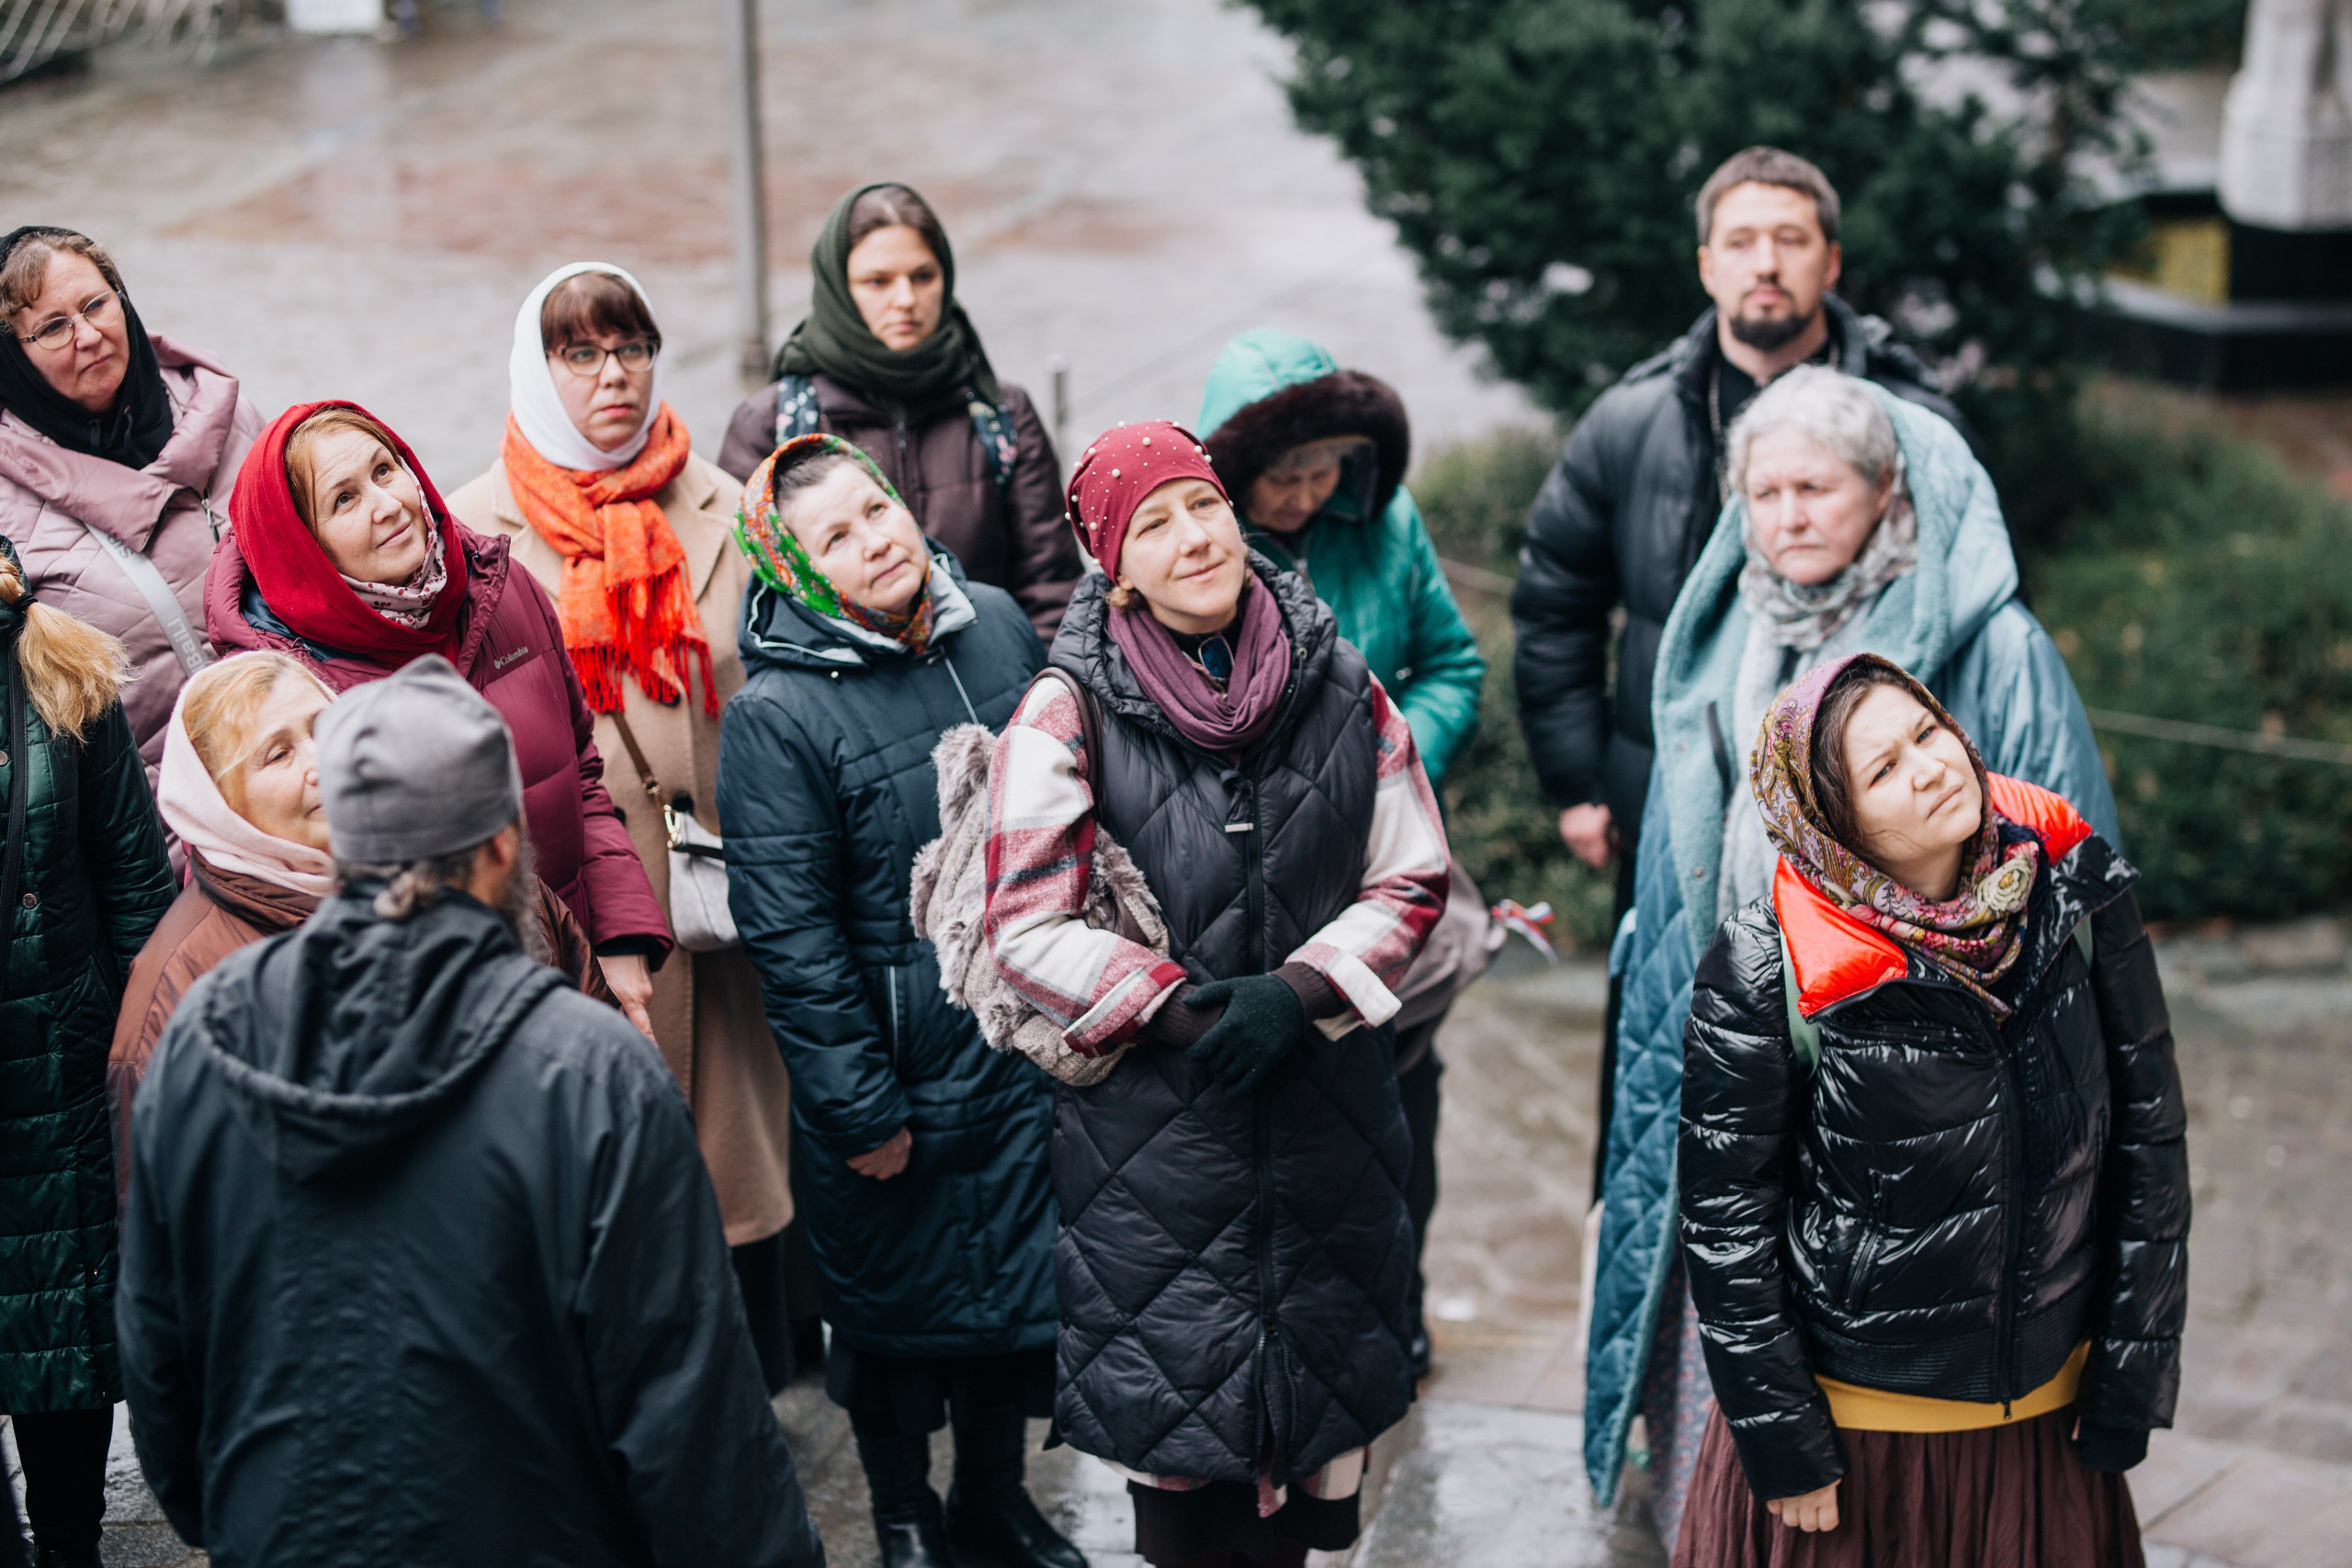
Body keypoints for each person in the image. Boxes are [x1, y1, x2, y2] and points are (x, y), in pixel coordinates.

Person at [114, 656, 827, 1568]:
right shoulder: (591, 1070)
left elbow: (162, 1347)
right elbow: (689, 1405)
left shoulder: (203, 1033)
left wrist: (236, 1512)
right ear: (501, 848)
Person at [1579, 369, 2119, 1549]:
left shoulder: (1992, 641)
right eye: (1763, 493)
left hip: (1944, 1085)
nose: (1786, 517)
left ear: (1886, 490)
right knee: (1745, 1292)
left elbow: (2069, 879)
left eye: (1814, 488)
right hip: (1761, 1022)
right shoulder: (1727, 625)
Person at [983, 422, 1451, 1568]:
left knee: (1310, 1476)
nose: (1192, 538)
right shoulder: (1064, 710)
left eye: (1201, 506)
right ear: (1114, 568)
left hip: (1329, 1127)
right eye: (1152, 524)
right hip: (1155, 1155)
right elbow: (1024, 924)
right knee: (1191, 1489)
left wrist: (1297, 993)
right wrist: (1174, 1008)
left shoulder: (1343, 684)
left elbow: (1411, 875)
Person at [1508, 148, 1971, 1194]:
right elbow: (1555, 601)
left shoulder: (1910, 422)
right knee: (1668, 1064)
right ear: (1706, 264)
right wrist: (1579, 779)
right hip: (1667, 808)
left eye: (1791, 240)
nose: (1767, 263)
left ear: (1831, 262)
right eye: (1743, 241)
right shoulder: (1630, 421)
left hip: (1872, 840)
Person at [1671, 652, 2186, 1567]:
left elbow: (2150, 1141)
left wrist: (2130, 1375)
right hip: (1857, 1444)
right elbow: (1725, 1226)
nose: (1930, 768)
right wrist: (1781, 1441)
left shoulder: (2072, 889)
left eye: (1926, 731)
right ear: (1832, 821)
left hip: (2045, 1428)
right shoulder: (1771, 963)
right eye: (1882, 769)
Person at [718, 434, 1073, 1568]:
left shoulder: (996, 625)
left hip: (1017, 1039)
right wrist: (857, 1107)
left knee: (1014, 1294)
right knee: (892, 1311)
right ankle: (905, 1519)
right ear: (795, 569)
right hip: (896, 1062)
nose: (873, 542)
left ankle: (992, 1500)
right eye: (834, 537)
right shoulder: (776, 714)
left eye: (874, 511)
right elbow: (793, 940)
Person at [447, 263, 798, 1387]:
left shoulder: (729, 503)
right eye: (580, 354)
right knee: (608, 1198)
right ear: (535, 368)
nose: (613, 376)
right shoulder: (472, 531)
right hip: (579, 912)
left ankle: (750, 1405)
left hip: (720, 905)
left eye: (630, 348)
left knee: (740, 1186)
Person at [1195, 326, 1487, 1373]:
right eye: (1281, 473)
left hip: (1382, 871)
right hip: (1259, 886)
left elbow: (1452, 664)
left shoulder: (1386, 522)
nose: (1303, 494)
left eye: (1324, 468)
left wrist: (1390, 768)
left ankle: (1397, 1306)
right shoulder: (1203, 549)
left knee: (1403, 1096)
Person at [207, 400, 670, 1035]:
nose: (386, 504)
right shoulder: (286, 695)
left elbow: (582, 771)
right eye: (343, 500)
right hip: (434, 1029)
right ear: (303, 548)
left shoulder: (502, 589)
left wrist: (618, 937)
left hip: (578, 977)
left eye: (384, 469)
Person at [107, 649, 616, 1196]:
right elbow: (186, 1220)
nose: (322, 762)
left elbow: (603, 1075)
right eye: (278, 754)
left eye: (325, 727)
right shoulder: (177, 992)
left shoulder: (470, 862)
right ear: (218, 805)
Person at [0, 537, 174, 1568]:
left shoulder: (60, 663)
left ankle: (70, 1549)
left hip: (58, 1077)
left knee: (54, 1341)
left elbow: (138, 888)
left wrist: (149, 1065)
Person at [716, 182, 1081, 640]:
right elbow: (752, 604)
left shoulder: (999, 414)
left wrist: (1028, 681)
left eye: (923, 276)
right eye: (878, 281)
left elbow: (1052, 589)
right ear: (837, 287)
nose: (906, 299)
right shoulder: (773, 423)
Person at [0, 225, 262, 776]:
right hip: (162, 814)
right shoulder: (7, 513)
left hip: (314, 754)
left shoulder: (222, 410)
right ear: (11, 359)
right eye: (53, 327)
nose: (89, 336)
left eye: (96, 305)